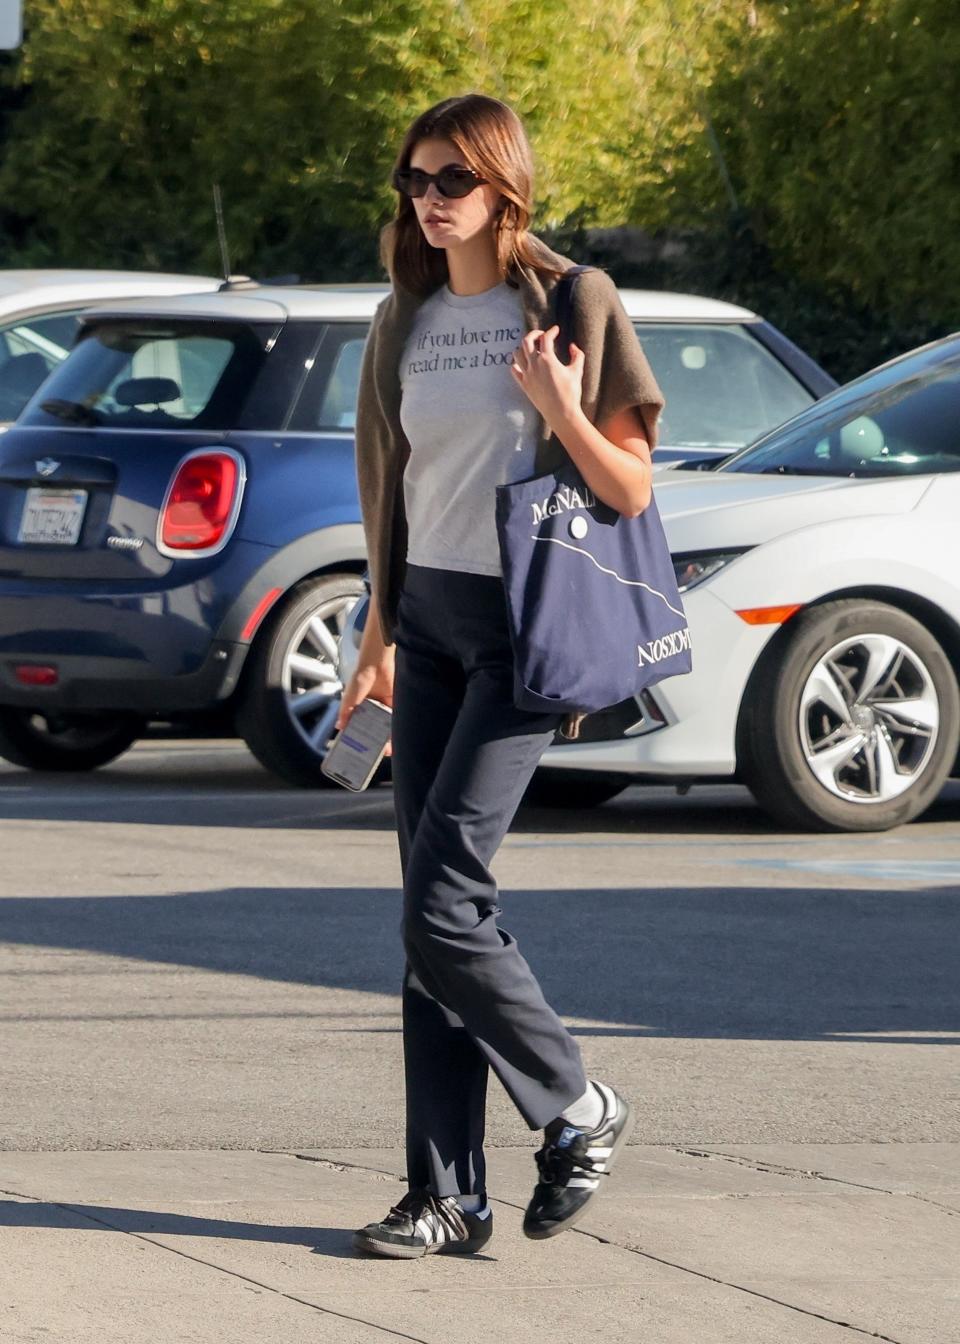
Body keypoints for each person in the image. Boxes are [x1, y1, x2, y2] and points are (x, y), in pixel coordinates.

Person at [338, 92, 665, 1259]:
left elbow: (628, 491)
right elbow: (395, 484)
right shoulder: (402, 318)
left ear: (502, 188)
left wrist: (562, 408)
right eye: (414, 182)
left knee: (442, 902)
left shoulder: (573, 300)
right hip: (422, 623)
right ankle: (446, 1195)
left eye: (450, 183)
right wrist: (375, 635)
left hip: (520, 635)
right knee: (429, 922)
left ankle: (577, 1104)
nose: (428, 202)